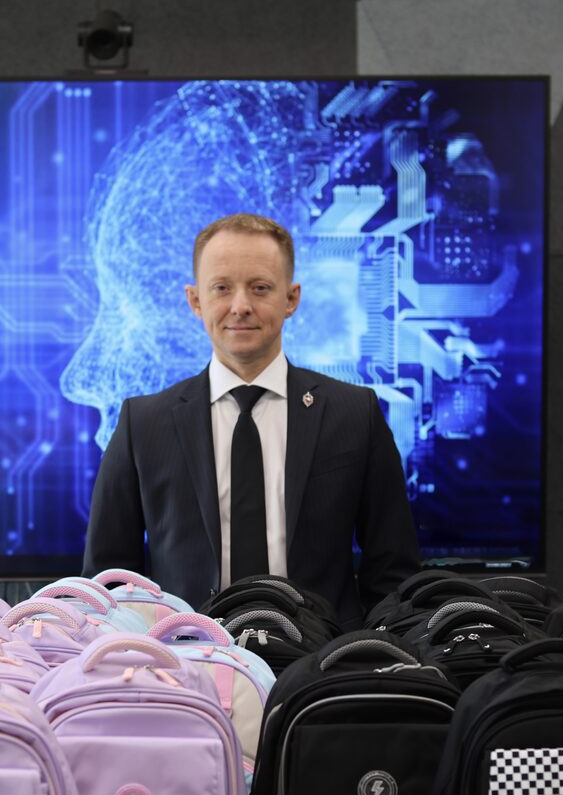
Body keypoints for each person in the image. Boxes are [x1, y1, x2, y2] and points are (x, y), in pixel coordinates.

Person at [82, 213, 421, 627]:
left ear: (291, 298)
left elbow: (393, 573)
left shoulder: (355, 413)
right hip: (186, 658)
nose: (240, 306)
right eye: (221, 288)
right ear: (195, 300)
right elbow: (108, 584)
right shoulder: (143, 424)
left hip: (322, 656)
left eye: (260, 288)